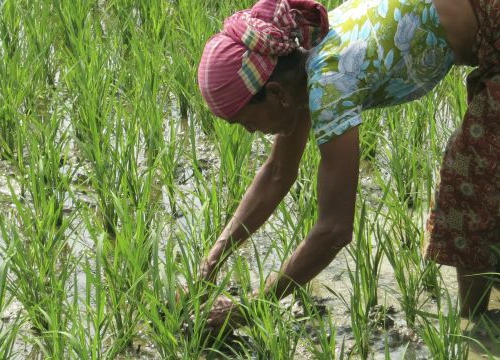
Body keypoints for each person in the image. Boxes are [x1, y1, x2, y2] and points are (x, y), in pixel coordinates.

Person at [195, 0, 499, 330]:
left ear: (276, 93)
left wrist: (251, 310)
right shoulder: (304, 62)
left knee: (468, 184)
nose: (251, 131)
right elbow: (278, 173)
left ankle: (477, 331)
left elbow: (335, 229)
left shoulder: (329, 81)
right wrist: (212, 260)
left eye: (245, 122)